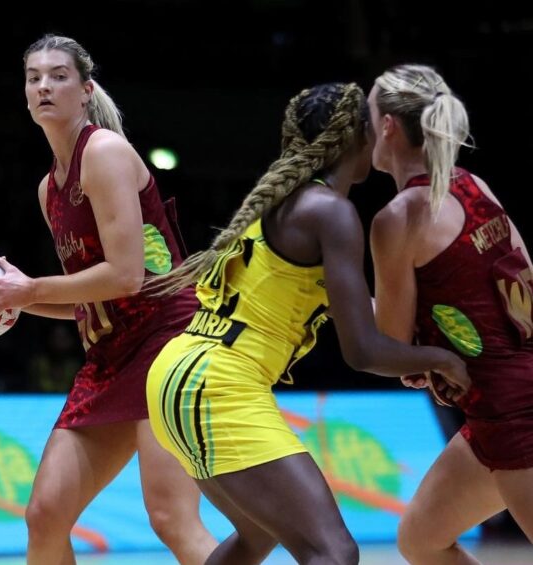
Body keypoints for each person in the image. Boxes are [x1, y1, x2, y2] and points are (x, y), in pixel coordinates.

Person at [144, 82, 471, 565]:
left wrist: (420, 340)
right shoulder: (331, 212)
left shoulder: (289, 201)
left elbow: (363, 312)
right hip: (217, 386)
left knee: (256, 537)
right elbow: (362, 351)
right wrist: (443, 358)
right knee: (334, 552)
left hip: (187, 375)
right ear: (357, 138)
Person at [0, 34, 217, 564]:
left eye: (58, 75)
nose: (44, 86)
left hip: (167, 341)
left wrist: (29, 288)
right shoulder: (48, 189)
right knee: (45, 516)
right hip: (110, 354)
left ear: (85, 90)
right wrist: (13, 301)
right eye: (33, 78)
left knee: (171, 519)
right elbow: (90, 297)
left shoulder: (104, 151)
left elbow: (124, 277)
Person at [367, 63, 533, 564]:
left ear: (389, 126)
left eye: (367, 115)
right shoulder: (474, 186)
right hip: (497, 404)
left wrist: (338, 298)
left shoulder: (398, 219)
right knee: (421, 538)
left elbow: (391, 350)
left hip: (515, 414)